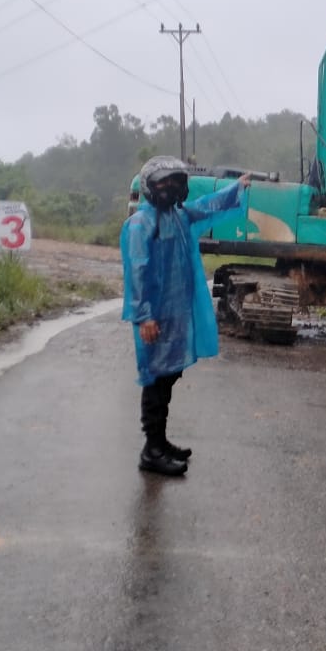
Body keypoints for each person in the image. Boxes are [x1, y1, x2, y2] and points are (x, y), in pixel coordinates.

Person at [120, 155, 250, 476]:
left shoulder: (178, 215)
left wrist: (236, 188)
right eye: (163, 183)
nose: (170, 188)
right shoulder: (142, 223)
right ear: (150, 187)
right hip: (155, 318)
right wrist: (143, 317)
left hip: (176, 315)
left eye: (175, 182)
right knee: (155, 380)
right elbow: (136, 273)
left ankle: (160, 442)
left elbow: (206, 206)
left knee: (168, 378)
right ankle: (151, 451)